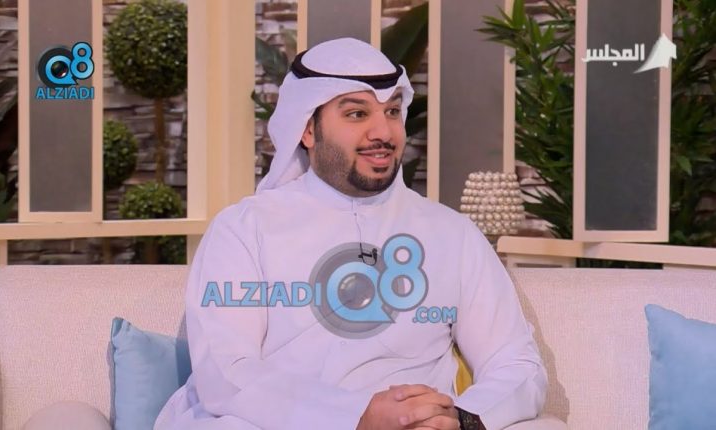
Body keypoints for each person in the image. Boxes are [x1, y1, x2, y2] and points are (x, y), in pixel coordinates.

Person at [155, 37, 547, 430]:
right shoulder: (244, 229)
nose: (383, 132)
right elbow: (227, 372)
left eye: (392, 111)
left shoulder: (452, 234)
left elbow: (515, 362)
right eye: (357, 114)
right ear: (308, 130)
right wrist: (357, 417)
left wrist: (460, 418)